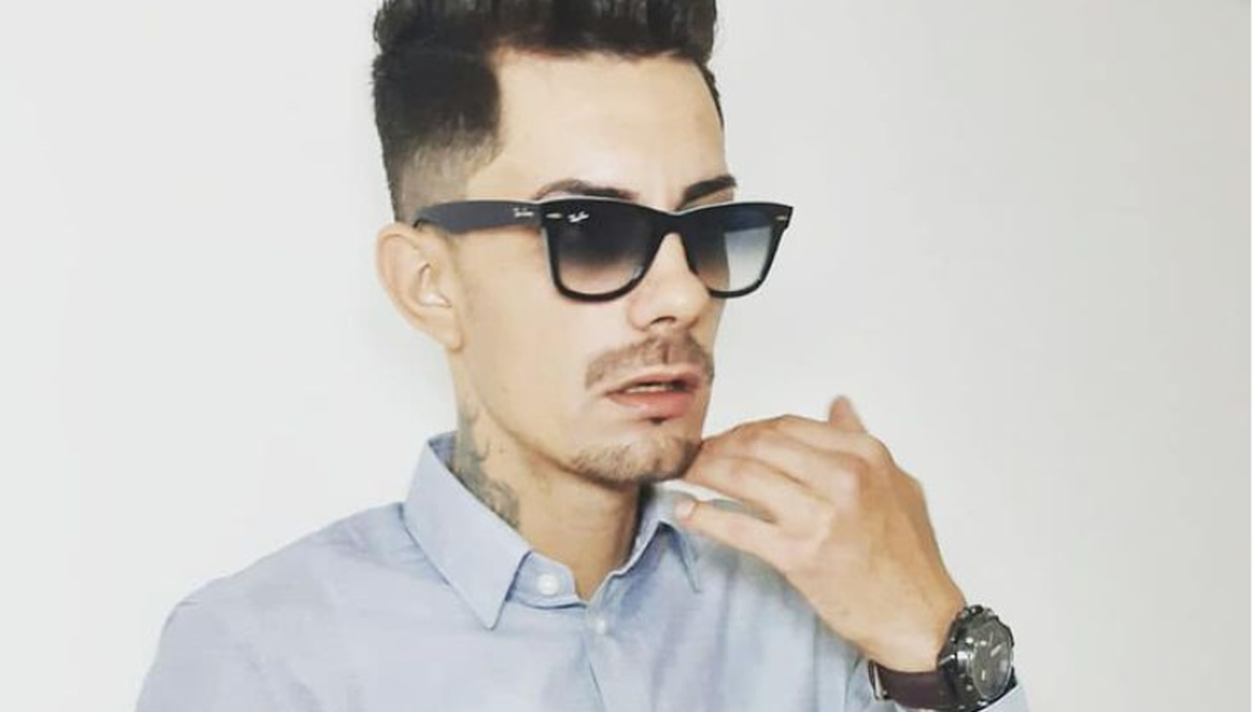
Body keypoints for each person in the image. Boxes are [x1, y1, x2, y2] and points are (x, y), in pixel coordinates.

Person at [136, 1, 1032, 710]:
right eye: (594, 231)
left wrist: (932, 639)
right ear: (428, 284)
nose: (683, 295)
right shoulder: (268, 661)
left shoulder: (815, 607)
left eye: (709, 226)